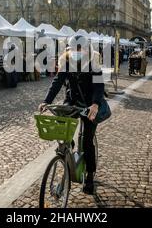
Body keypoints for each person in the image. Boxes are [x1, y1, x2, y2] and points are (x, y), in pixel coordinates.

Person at [38, 35, 105, 195]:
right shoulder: (66, 64)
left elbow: (99, 85)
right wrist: (46, 101)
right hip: (72, 102)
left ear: (86, 49)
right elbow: (57, 82)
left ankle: (89, 176)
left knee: (87, 141)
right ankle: (68, 148)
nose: (77, 51)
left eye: (80, 48)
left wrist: (95, 103)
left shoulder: (93, 65)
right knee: (63, 127)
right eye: (74, 48)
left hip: (90, 105)